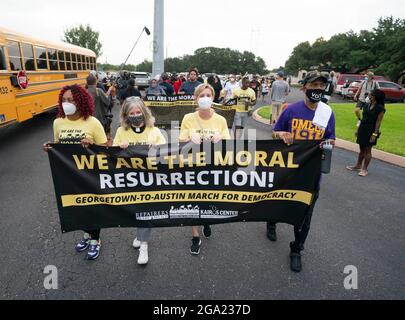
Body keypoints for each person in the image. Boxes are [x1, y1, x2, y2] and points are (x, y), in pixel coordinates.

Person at [269, 71, 336, 272]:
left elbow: (331, 137)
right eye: (313, 85)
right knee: (278, 201)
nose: (317, 89)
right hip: (288, 170)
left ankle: (297, 249)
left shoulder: (326, 112)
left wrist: (330, 142)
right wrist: (281, 133)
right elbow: (274, 132)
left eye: (321, 86)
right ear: (304, 87)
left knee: (305, 214)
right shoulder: (291, 110)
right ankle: (271, 220)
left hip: (311, 175)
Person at [43, 84, 108, 260]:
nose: (67, 103)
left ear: (80, 101)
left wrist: (91, 145)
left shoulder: (93, 123)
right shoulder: (58, 122)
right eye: (64, 100)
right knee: (77, 207)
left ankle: (95, 240)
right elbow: (59, 145)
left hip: (90, 174)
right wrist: (50, 147)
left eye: (71, 100)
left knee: (92, 206)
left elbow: (105, 148)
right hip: (68, 174)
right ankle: (86, 236)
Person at [179, 84, 231, 255]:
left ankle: (207, 220)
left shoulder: (221, 120)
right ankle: (195, 235)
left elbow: (230, 147)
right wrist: (188, 137)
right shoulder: (188, 118)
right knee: (193, 199)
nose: (205, 98)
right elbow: (180, 143)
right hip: (193, 167)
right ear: (196, 98)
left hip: (213, 166)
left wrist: (221, 140)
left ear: (213, 97)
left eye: (208, 95)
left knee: (209, 198)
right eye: (201, 95)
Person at [113, 97, 166, 264]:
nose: (136, 115)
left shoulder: (154, 130)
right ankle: (139, 234)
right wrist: (119, 147)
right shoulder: (122, 131)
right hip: (130, 178)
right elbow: (113, 154)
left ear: (144, 112)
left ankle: (144, 244)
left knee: (146, 209)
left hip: (150, 178)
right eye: (132, 113)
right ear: (126, 115)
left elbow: (167, 154)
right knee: (135, 209)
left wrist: (156, 148)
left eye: (138, 112)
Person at [346, 89, 385, 177]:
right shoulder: (367, 105)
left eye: (370, 95)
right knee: (362, 149)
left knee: (368, 150)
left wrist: (374, 134)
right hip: (363, 128)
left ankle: (364, 169)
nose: (368, 96)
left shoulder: (380, 108)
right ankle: (358, 165)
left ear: (374, 97)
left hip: (371, 130)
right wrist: (358, 129)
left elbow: (378, 122)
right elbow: (362, 118)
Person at [86, 74, 116, 144]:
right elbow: (107, 102)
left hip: (87, 120)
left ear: (87, 82)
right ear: (96, 82)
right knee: (103, 139)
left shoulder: (85, 92)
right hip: (100, 120)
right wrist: (110, 91)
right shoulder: (98, 91)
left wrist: (108, 91)